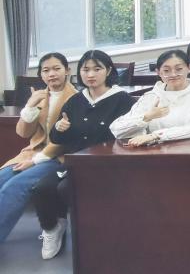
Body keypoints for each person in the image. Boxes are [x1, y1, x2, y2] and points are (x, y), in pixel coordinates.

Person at [33, 50, 133, 259]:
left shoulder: (122, 100)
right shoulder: (76, 100)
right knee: (42, 188)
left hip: (109, 165)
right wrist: (60, 128)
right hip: (75, 163)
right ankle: (53, 228)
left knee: (66, 188)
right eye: (85, 70)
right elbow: (57, 139)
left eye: (97, 69)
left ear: (108, 71)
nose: (91, 74)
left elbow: (129, 136)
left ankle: (93, 232)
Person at [0, 53, 76, 243]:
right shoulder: (40, 96)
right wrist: (30, 105)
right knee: (2, 178)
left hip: (59, 156)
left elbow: (66, 142)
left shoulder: (77, 98)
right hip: (33, 153)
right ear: (41, 74)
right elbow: (23, 133)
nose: (51, 74)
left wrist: (34, 161)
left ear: (67, 70)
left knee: (14, 187)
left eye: (57, 69)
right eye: (46, 70)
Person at [110, 50, 190, 145]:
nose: (173, 74)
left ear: (189, 68)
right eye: (166, 70)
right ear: (159, 72)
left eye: (179, 69)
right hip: (155, 152)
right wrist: (146, 117)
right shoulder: (151, 96)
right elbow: (116, 129)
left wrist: (156, 136)